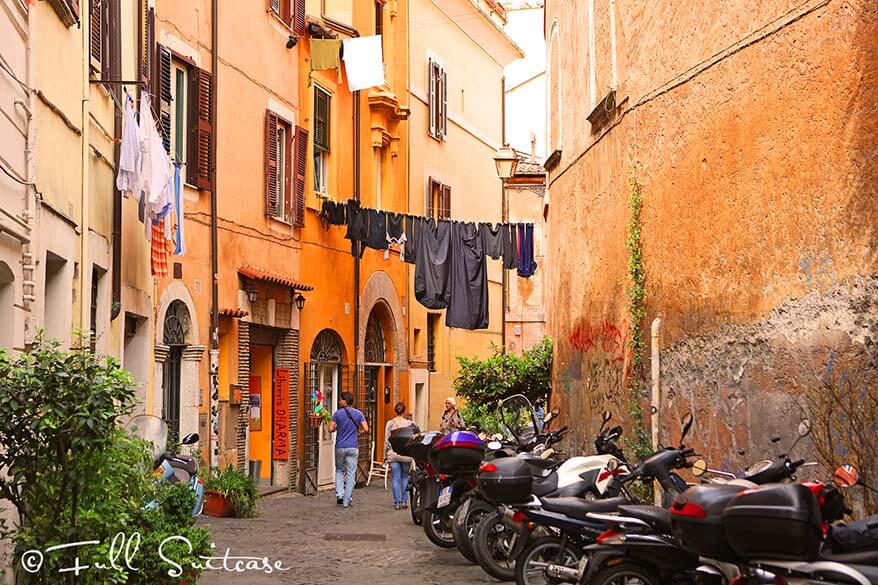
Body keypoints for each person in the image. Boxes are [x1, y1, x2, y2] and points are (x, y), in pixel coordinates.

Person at [328, 391, 368, 508]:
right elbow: (365, 428)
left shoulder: (337, 414)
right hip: (353, 447)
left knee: (339, 470)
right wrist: (358, 433)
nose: (339, 401)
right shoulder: (358, 413)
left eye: (340, 399)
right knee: (351, 473)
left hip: (340, 446)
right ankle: (347, 499)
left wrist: (336, 429)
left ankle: (340, 495)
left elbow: (330, 429)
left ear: (345, 401)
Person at [384, 402, 415, 510]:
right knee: (405, 476)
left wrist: (385, 455)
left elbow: (386, 440)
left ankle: (397, 502)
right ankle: (405, 501)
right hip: (406, 454)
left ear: (395, 410)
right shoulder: (410, 424)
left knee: (395, 478)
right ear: (404, 411)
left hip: (393, 453)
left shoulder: (390, 424)